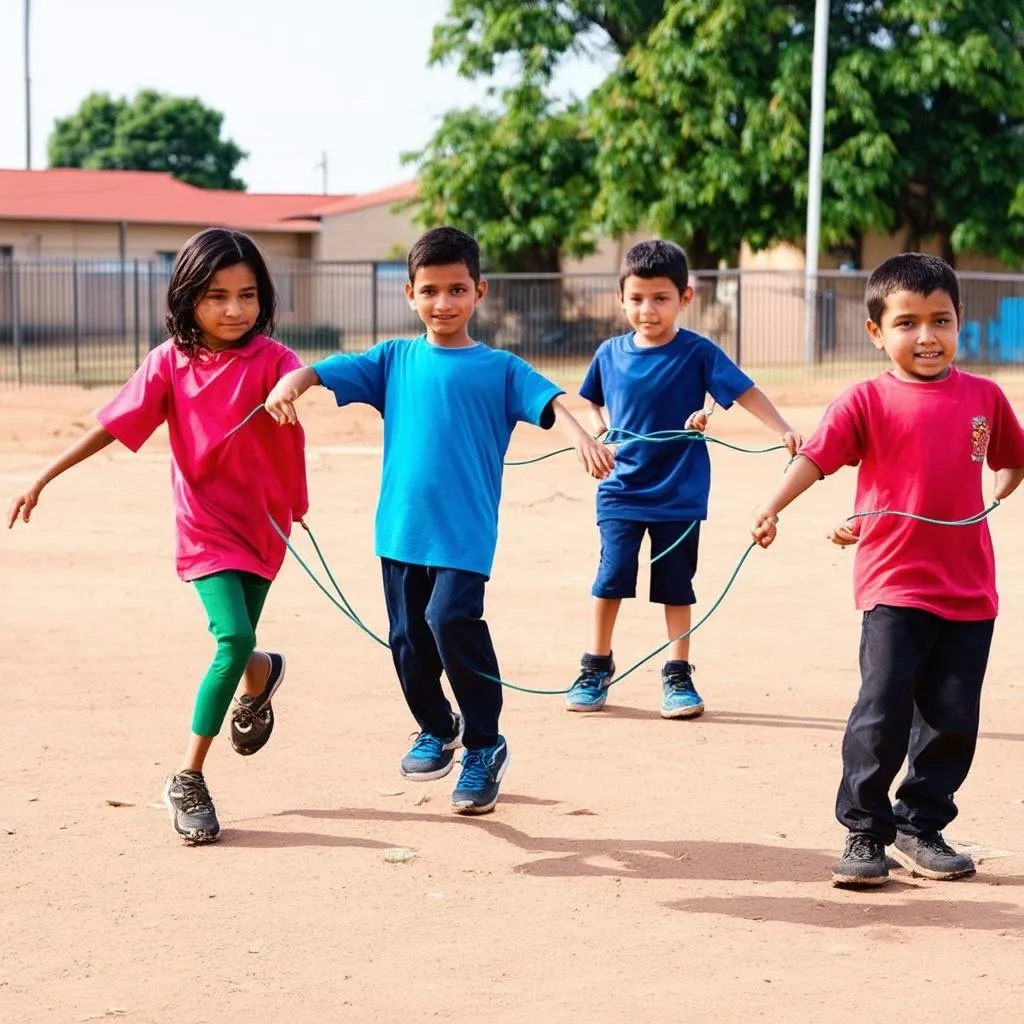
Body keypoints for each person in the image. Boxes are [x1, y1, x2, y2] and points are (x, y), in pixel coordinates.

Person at [265, 226, 614, 814]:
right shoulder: (394, 359)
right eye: (430, 291)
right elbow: (326, 370)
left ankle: (483, 744)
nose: (443, 303)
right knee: (407, 639)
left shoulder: (500, 367)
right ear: (410, 294)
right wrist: (291, 382)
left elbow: (552, 399)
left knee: (450, 620)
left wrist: (584, 437)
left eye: (456, 289)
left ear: (479, 291)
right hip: (400, 530)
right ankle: (436, 727)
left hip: (464, 533)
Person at [7, 228, 308, 845]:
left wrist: (294, 386)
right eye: (218, 296)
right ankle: (188, 777)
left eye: (247, 295)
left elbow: (304, 377)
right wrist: (44, 475)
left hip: (266, 526)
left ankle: (262, 672)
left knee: (240, 642)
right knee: (232, 635)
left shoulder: (274, 359)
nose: (234, 310)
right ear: (189, 296)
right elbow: (113, 426)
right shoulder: (170, 361)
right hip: (206, 526)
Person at [751, 252, 1024, 887]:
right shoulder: (866, 400)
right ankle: (865, 833)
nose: (927, 336)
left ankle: (920, 823)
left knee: (952, 717)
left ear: (958, 323)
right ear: (877, 332)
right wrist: (770, 507)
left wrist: (1000, 490)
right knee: (882, 710)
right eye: (907, 323)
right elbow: (816, 460)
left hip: (970, 590)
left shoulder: (985, 397)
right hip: (894, 583)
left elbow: (1012, 458)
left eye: (941, 320)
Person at [566, 240, 801, 717]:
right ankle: (596, 665)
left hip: (679, 491)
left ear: (685, 298)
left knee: (676, 584)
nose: (647, 310)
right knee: (611, 577)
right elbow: (591, 399)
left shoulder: (698, 352)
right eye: (636, 299)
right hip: (621, 488)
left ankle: (678, 674)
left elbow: (745, 391)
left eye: (660, 299)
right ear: (621, 297)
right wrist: (599, 433)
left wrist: (783, 429)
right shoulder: (609, 353)